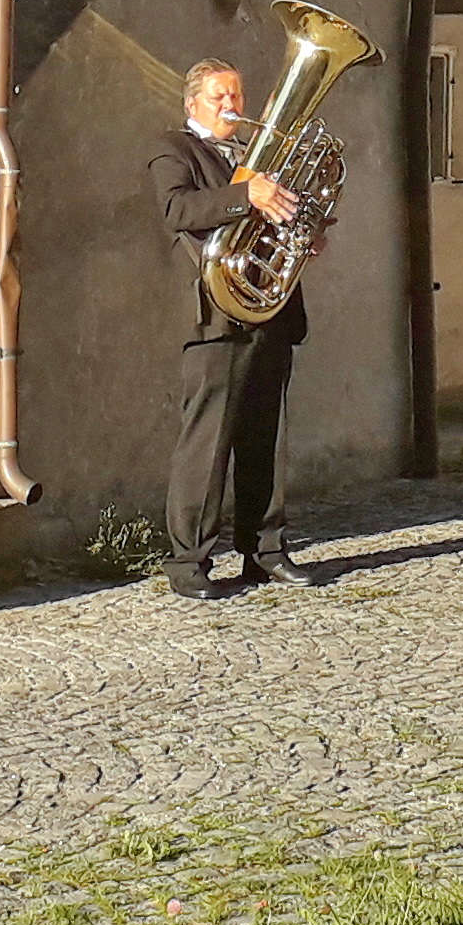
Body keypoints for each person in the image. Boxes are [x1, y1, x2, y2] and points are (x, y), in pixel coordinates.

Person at [148, 58, 316, 597]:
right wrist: (247, 195)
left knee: (265, 439)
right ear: (192, 103)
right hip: (215, 317)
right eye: (219, 96)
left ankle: (264, 551)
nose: (231, 106)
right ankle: (188, 563)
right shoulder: (174, 149)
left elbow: (279, 219)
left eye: (237, 96)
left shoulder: (259, 157)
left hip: (269, 311)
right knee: (206, 442)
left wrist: (305, 233)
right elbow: (177, 210)